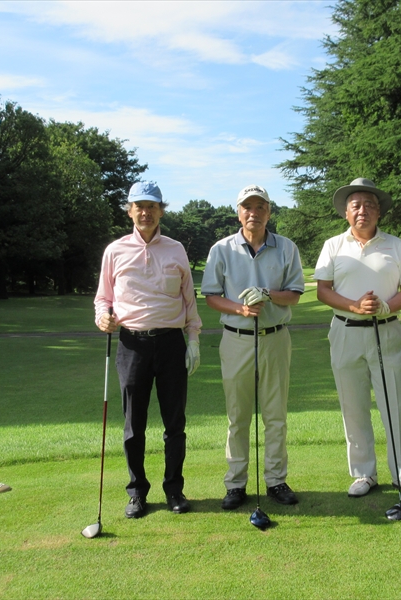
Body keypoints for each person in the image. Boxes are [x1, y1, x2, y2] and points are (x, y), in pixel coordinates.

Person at [93, 180, 202, 519]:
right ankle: (137, 492)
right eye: (139, 206)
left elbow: (189, 299)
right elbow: (103, 298)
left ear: (161, 211)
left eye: (152, 206)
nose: (146, 212)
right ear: (130, 211)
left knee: (175, 423)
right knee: (133, 425)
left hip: (171, 343)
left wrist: (193, 340)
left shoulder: (176, 249)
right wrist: (103, 316)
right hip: (132, 344)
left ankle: (174, 490)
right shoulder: (115, 251)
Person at [313, 178, 401, 501]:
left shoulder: (395, 245)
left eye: (369, 205)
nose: (362, 211)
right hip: (345, 332)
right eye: (356, 205)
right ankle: (364, 473)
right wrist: (354, 306)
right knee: (353, 405)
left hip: (386, 330)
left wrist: (386, 306)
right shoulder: (334, 245)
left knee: (397, 404)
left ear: (379, 212)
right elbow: (323, 290)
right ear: (346, 213)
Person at [201, 184, 305, 510]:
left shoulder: (286, 247)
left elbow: (294, 294)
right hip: (236, 338)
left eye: (260, 207)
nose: (254, 213)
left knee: (275, 415)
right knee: (238, 416)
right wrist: (241, 309)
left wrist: (268, 294)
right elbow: (211, 296)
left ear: (269, 212)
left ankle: (276, 480)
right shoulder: (221, 249)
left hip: (275, 338)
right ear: (238, 213)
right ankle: (236, 484)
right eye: (248, 207)